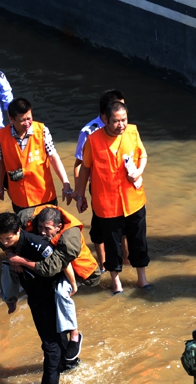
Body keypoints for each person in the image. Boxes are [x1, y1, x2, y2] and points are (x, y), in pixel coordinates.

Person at [0, 212, 74, 384]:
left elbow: (62, 263)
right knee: (54, 340)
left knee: (50, 346)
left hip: (51, 296)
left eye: (8, 238)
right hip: (35, 298)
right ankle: (70, 362)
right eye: (1, 238)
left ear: (18, 231)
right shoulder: (7, 243)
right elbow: (9, 267)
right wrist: (11, 299)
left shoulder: (37, 244)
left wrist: (72, 285)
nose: (4, 242)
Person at [75, 101, 152, 293]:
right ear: (105, 119)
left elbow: (143, 155)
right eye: (116, 121)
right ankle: (116, 281)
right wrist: (80, 194)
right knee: (112, 244)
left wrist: (139, 171)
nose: (121, 125)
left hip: (133, 199)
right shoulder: (93, 140)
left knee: (138, 239)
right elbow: (85, 168)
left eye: (124, 120)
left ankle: (142, 279)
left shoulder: (133, 132)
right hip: (106, 203)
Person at [8, 206, 101, 361]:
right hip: (50, 267)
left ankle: (75, 334)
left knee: (61, 292)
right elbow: (4, 234)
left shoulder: (70, 237)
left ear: (58, 227)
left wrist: (20, 260)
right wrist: (9, 253)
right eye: (40, 227)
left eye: (47, 229)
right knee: (7, 268)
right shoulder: (27, 218)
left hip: (77, 270)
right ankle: (10, 300)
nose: (43, 232)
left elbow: (51, 268)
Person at [73, 89, 126, 270]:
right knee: (99, 229)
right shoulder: (89, 132)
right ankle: (103, 264)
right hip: (99, 189)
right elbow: (79, 165)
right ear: (105, 114)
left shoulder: (125, 129)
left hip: (122, 187)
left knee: (125, 228)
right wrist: (80, 195)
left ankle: (126, 261)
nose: (121, 113)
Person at [0, 98, 73, 212]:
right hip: (20, 197)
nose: (27, 123)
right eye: (23, 120)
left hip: (44, 194)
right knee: (25, 228)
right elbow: (1, 162)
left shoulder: (42, 131)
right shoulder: (2, 135)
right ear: (11, 119)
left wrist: (66, 184)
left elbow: (53, 157)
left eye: (29, 118)